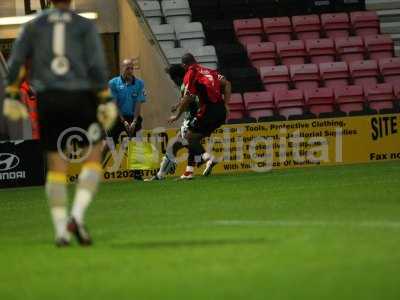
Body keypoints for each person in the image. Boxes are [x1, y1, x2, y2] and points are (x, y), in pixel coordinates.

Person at [3, 0, 118, 246]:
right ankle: (75, 216)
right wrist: (106, 98)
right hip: (80, 96)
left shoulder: (33, 25)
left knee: (56, 167)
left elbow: (15, 63)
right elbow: (97, 66)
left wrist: (12, 93)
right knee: (94, 156)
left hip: (48, 99)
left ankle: (60, 231)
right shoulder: (84, 26)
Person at [154, 55, 231, 180]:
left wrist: (177, 114)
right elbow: (227, 83)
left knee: (186, 140)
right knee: (193, 140)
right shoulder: (209, 71)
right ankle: (190, 171)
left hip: (203, 113)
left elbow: (189, 98)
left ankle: (207, 158)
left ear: (184, 66)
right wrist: (226, 105)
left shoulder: (189, 75)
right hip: (220, 111)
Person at [108, 59, 146, 181]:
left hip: (133, 116)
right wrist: (123, 121)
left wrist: (134, 121)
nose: (130, 71)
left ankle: (137, 174)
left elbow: (138, 104)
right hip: (117, 116)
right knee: (108, 144)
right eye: (127, 68)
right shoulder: (113, 83)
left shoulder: (139, 83)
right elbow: (115, 104)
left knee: (137, 142)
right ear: (122, 68)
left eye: (131, 68)